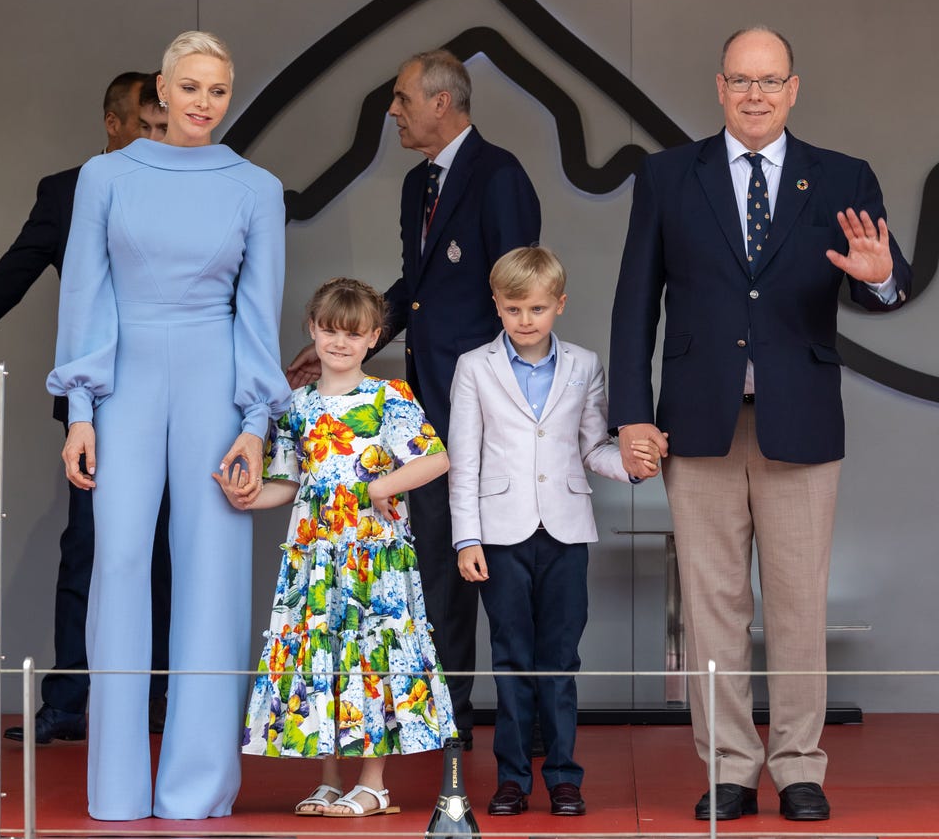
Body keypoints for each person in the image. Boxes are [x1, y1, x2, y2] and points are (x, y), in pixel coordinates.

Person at [608, 26, 912, 823]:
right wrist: (631, 414)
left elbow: (887, 274)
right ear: (718, 87)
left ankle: (801, 767)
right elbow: (635, 303)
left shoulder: (842, 176)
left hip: (800, 425)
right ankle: (731, 769)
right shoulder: (670, 177)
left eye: (770, 81)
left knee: (797, 606)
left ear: (794, 89)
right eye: (741, 80)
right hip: (697, 427)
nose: (755, 94)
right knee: (712, 608)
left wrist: (880, 281)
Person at [47, 31, 289, 821]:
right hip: (125, 388)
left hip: (217, 388)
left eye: (217, 91)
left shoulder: (257, 186)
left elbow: (258, 315)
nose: (203, 104)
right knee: (116, 569)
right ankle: (115, 788)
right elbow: (84, 295)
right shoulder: (103, 177)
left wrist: (256, 423)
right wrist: (80, 411)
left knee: (214, 581)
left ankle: (196, 788)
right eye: (190, 88)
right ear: (161, 87)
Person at [287, 49, 540, 748]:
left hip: (492, 410)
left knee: (509, 574)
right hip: (428, 410)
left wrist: (510, 400)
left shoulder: (500, 175)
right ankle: (446, 726)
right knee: (439, 569)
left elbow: (519, 291)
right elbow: (416, 288)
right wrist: (358, 338)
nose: (392, 112)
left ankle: (534, 735)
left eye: (401, 99)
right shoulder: (414, 184)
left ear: (442, 102)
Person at [0, 70, 173, 745]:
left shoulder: (192, 186)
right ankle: (67, 704)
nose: (157, 139)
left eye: (164, 127)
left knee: (166, 550)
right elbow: (14, 270)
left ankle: (164, 704)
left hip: (179, 399)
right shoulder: (66, 192)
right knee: (87, 548)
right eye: (145, 126)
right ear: (112, 123)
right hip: (96, 403)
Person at [220, 277, 456, 817]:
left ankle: (373, 783)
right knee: (320, 658)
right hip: (314, 555)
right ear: (312, 330)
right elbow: (288, 481)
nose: (340, 343)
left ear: (374, 337)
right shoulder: (295, 406)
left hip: (373, 555)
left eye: (353, 334)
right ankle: (329, 778)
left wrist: (379, 487)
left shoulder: (387, 396)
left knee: (370, 656)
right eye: (329, 330)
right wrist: (247, 499)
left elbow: (435, 458)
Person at [449, 247, 656, 817]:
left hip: (565, 531)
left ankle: (564, 776)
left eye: (537, 307)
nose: (525, 320)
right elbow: (464, 460)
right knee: (511, 657)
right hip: (499, 533)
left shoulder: (585, 365)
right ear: (496, 305)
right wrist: (467, 538)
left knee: (561, 659)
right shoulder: (474, 367)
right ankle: (512, 778)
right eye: (513, 308)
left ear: (559, 305)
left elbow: (594, 447)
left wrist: (633, 465)